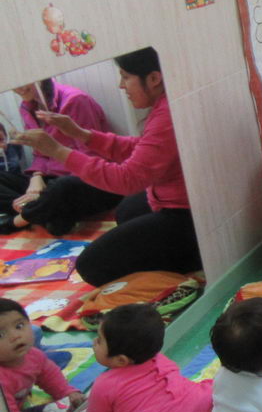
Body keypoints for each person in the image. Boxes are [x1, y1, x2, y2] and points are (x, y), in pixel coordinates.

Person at [12, 48, 201, 286]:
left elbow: (127, 178)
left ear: (154, 78)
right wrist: (80, 134)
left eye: (125, 77)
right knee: (126, 211)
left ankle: (190, 258)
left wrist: (59, 151)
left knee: (91, 265)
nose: (121, 86)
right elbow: (143, 147)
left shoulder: (75, 99)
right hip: (159, 191)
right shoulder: (164, 107)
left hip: (187, 209)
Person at [72, 303, 212, 412]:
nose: (94, 342)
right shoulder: (160, 359)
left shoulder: (104, 385)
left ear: (121, 360)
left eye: (100, 340)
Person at [0, 78, 118, 235]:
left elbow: (90, 159)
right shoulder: (27, 107)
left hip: (85, 180)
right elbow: (40, 154)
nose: (19, 88)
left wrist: (46, 192)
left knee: (62, 186)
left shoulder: (75, 100)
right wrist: (36, 178)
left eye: (24, 80)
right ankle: (45, 212)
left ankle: (18, 220)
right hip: (52, 181)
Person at [0, 297, 84, 412]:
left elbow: (49, 375)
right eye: (1, 335)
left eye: (19, 326)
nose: (15, 336)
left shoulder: (33, 355)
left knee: (62, 409)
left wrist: (66, 393)